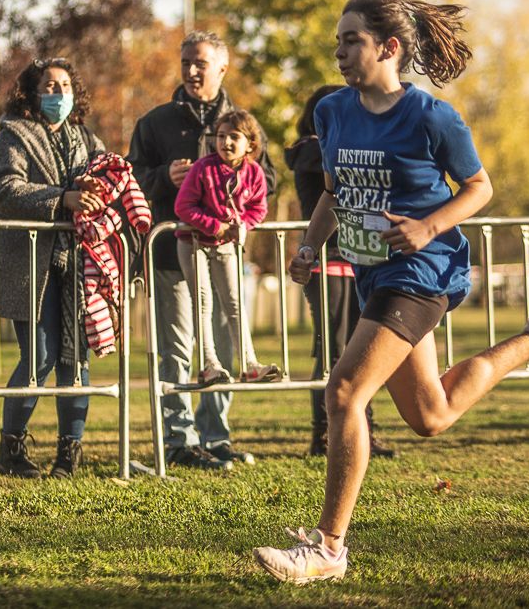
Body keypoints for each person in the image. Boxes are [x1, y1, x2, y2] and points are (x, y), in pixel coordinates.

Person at [253, 0, 529, 583]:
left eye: (351, 39)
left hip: (421, 273)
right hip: (372, 272)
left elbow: (479, 187)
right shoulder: (331, 111)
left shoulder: (434, 117)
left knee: (343, 393)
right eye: (337, 39)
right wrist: (310, 245)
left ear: (388, 47)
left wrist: (427, 227)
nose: (339, 51)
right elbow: (337, 191)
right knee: (432, 413)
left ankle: (328, 549)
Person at [128, 31, 277, 470]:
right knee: (177, 348)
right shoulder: (154, 123)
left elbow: (268, 181)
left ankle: (217, 438)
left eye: (202, 63)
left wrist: (237, 180)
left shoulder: (243, 122)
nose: (193, 71)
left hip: (226, 255)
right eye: (186, 62)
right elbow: (130, 178)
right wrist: (163, 177)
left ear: (222, 69)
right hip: (172, 255)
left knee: (225, 347)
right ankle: (179, 440)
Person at [0, 57, 104, 479]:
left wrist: (102, 189)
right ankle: (11, 448)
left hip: (78, 264)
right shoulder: (12, 135)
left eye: (65, 85)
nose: (58, 94)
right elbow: (5, 190)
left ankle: (70, 453)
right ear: (32, 92)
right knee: (39, 358)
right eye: (49, 86)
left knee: (75, 360)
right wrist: (62, 198)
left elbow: (106, 178)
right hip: (30, 265)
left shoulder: (87, 139)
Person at [284, 85, 394, 459]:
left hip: (359, 258)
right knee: (333, 349)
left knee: (360, 349)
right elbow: (339, 189)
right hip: (328, 261)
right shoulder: (312, 152)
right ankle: (325, 434)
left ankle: (364, 429)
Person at [174, 109, 278, 385]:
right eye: (221, 136)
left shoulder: (254, 173)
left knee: (234, 303)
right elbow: (183, 206)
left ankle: (249, 363)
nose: (226, 143)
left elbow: (259, 207)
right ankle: (210, 363)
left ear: (250, 144)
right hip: (194, 243)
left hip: (227, 246)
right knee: (204, 301)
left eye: (234, 137)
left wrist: (241, 224)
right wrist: (214, 225)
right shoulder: (203, 168)